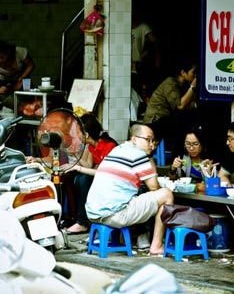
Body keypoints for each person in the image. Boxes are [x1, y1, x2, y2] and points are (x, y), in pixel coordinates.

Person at [85, 122, 174, 255]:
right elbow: (154, 187)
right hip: (114, 215)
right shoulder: (139, 155)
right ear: (134, 139)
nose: (151, 144)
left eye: (153, 141)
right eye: (147, 140)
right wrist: (149, 159)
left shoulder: (117, 150)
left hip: (93, 213)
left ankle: (138, 239)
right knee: (166, 194)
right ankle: (156, 245)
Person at [60, 113, 118, 234]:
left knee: (83, 179)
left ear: (86, 134)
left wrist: (77, 168)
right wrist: (75, 156)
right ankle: (71, 218)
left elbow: (104, 173)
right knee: (71, 177)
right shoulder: (93, 146)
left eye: (77, 132)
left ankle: (82, 222)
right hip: (102, 177)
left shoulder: (109, 146)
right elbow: (89, 166)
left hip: (113, 181)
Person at [143, 59, 198, 155]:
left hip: (164, 120)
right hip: (155, 120)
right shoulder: (170, 83)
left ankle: (179, 157)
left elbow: (188, 105)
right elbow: (180, 105)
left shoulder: (182, 85)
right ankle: (177, 158)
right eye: (193, 72)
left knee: (186, 125)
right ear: (183, 72)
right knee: (181, 128)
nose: (195, 75)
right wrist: (192, 87)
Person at [0, 40, 35, 110]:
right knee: (10, 102)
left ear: (8, 52)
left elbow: (31, 65)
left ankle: (29, 111)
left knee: (29, 98)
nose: (0, 60)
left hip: (23, 77)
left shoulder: (19, 52)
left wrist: (22, 78)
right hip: (5, 82)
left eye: (2, 57)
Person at [131, 12, 161, 100]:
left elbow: (155, 43)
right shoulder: (125, 25)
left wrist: (145, 55)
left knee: (139, 90)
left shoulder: (143, 27)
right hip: (126, 63)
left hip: (138, 64)